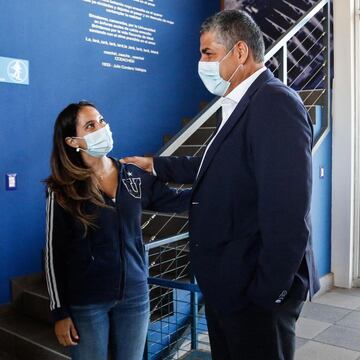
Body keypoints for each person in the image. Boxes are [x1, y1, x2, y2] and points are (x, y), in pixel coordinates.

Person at [121, 10, 320, 360]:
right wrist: (157, 164)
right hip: (230, 285)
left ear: (240, 52)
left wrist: (267, 294)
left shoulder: (275, 104)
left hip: (254, 291)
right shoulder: (238, 102)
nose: (202, 62)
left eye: (208, 53)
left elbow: (288, 214)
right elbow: (219, 165)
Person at [44, 101, 191, 360]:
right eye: (90, 125)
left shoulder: (133, 175)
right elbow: (53, 253)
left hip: (135, 296)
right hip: (87, 302)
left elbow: (179, 201)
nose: (102, 127)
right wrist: (60, 312)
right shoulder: (61, 188)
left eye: (101, 120)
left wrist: (224, 182)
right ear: (73, 141)